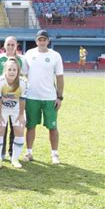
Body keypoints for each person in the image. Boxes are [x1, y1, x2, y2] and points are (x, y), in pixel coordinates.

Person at [24, 30, 64, 165]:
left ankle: (54, 154)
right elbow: (24, 74)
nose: (42, 42)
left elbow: (59, 77)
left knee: (52, 127)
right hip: (31, 96)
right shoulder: (29, 54)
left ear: (48, 41)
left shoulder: (55, 55)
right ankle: (29, 152)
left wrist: (60, 97)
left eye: (44, 39)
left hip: (49, 97)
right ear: (36, 41)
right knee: (30, 126)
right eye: (39, 39)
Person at [0, 36, 27, 158]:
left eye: (13, 45)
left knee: (16, 127)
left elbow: (25, 75)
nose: (10, 47)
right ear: (4, 45)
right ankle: (0, 154)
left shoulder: (22, 60)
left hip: (15, 97)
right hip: (1, 95)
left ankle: (13, 153)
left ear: (16, 45)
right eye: (8, 44)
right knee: (2, 127)